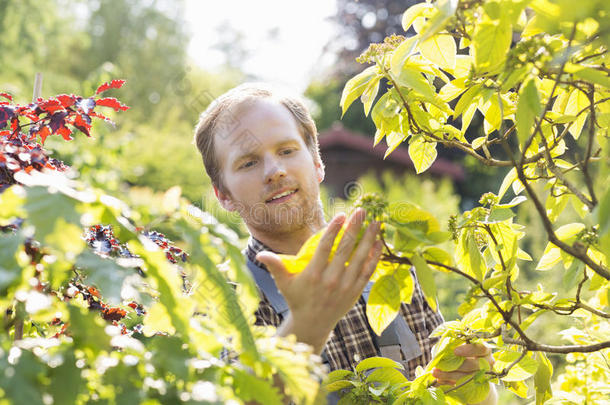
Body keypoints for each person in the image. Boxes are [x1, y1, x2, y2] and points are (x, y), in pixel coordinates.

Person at [193, 83, 496, 404]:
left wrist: (474, 386)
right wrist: (307, 326)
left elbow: (463, 395)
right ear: (223, 196)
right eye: (249, 163)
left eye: (286, 150)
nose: (275, 171)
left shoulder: (387, 263)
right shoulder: (220, 299)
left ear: (317, 161)